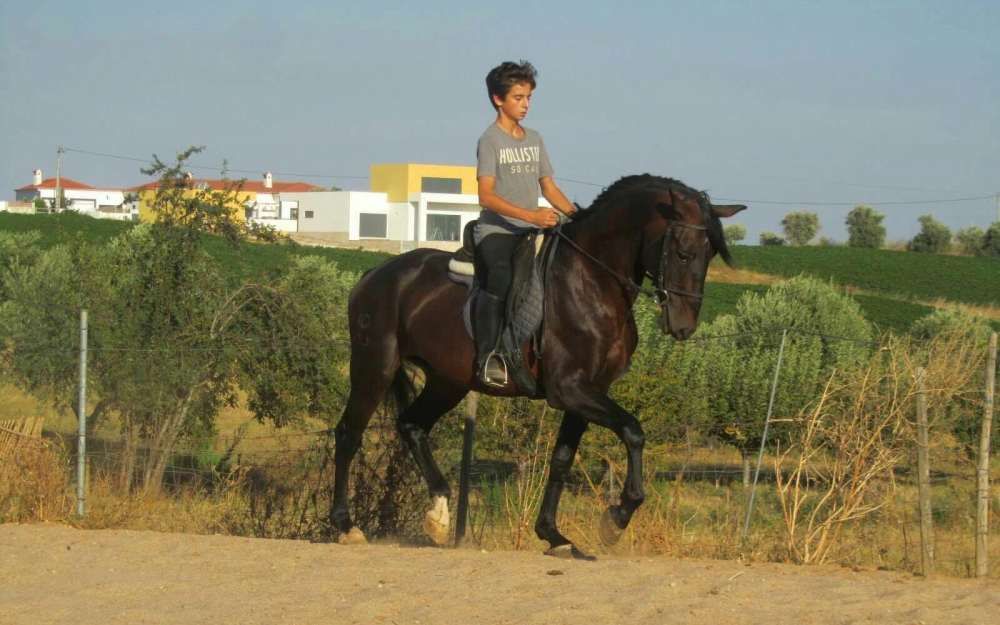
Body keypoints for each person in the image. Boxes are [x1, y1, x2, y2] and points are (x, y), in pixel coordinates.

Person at [474, 60, 576, 387]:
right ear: (498, 99)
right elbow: (485, 196)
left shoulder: (535, 139)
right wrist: (531, 215)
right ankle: (487, 356)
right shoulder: (490, 140)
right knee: (501, 277)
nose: (526, 104)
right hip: (496, 231)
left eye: (529, 97)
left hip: (531, 232)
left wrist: (577, 216)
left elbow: (549, 187)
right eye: (518, 97)